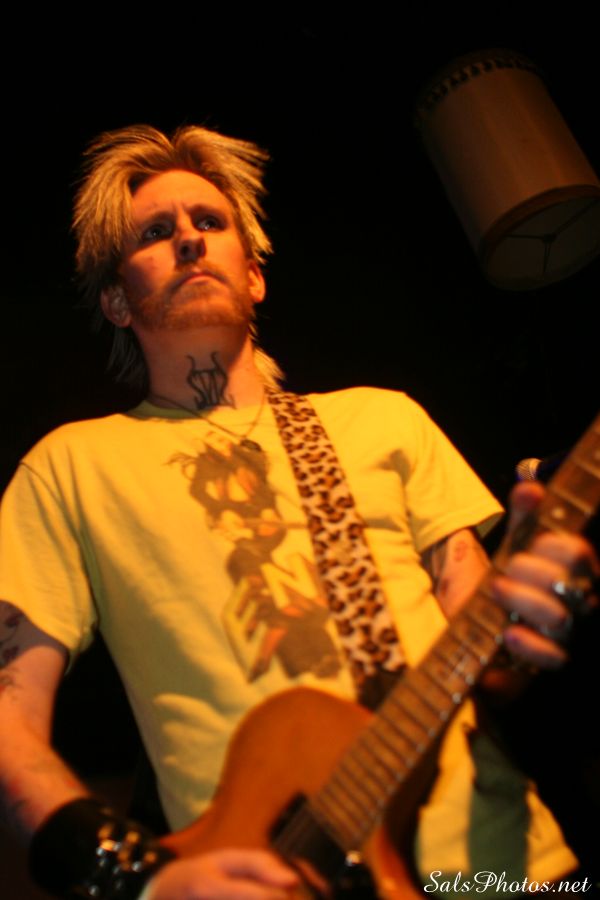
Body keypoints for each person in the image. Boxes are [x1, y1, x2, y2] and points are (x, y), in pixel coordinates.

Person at [0, 124, 596, 900]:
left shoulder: (384, 418)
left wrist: (529, 618)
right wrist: (135, 878)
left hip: (507, 871)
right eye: (154, 232)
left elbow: (483, 642)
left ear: (254, 275)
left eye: (209, 222)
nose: (188, 239)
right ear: (116, 300)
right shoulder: (70, 466)